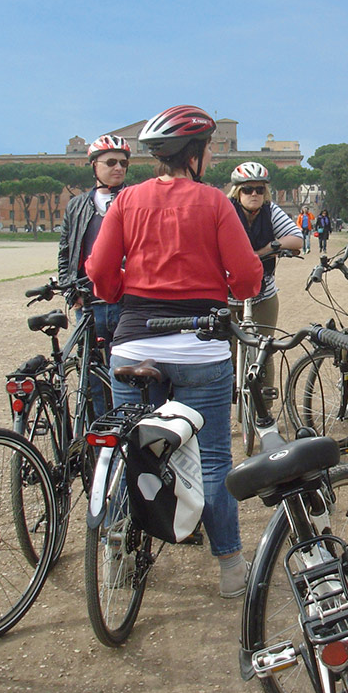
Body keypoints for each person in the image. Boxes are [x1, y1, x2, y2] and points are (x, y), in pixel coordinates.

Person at [86, 104, 262, 598]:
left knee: (130, 452)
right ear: (195, 154)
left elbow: (99, 273)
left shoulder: (126, 200)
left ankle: (117, 554)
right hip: (200, 347)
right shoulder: (214, 203)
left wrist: (122, 291)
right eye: (208, 149)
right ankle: (230, 566)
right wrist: (225, 285)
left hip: (134, 344)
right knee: (212, 460)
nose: (211, 157)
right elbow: (248, 278)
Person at [57, 133, 130, 415]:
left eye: (123, 163)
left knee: (129, 373)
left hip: (128, 302)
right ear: (94, 166)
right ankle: (98, 433)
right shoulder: (76, 206)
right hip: (89, 303)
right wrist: (70, 291)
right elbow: (65, 252)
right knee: (91, 376)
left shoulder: (136, 200)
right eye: (111, 162)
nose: (118, 168)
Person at [226, 161, 303, 399]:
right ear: (237, 192)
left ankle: (265, 412)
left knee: (264, 349)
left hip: (263, 292)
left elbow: (297, 239)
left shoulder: (271, 211)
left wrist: (265, 250)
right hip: (227, 294)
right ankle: (225, 406)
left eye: (259, 189)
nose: (254, 194)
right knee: (225, 353)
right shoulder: (225, 211)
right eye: (248, 189)